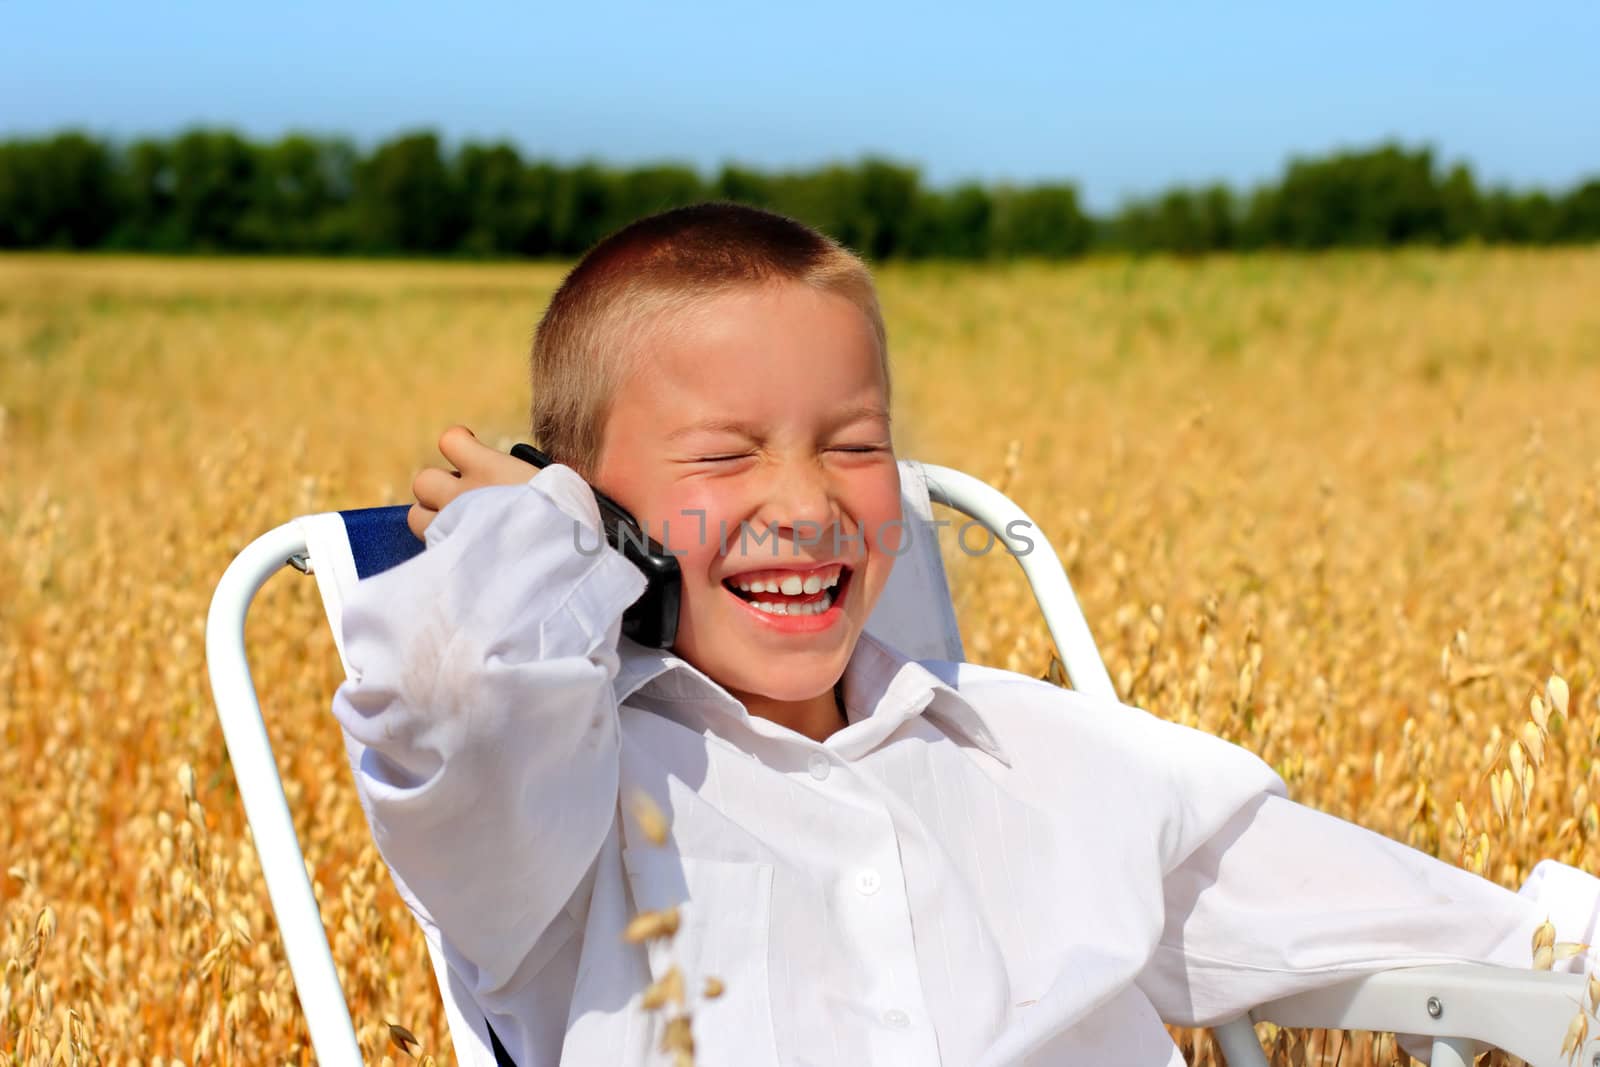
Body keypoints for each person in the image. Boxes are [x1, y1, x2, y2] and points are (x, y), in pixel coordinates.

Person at [333, 202, 1599, 1067]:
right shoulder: (558, 811)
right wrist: (553, 532)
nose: (808, 501)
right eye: (724, 454)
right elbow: (451, 691)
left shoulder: (1040, 753)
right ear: (598, 517)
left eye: (857, 443)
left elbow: (1454, 931)